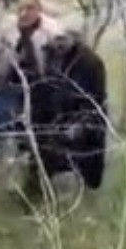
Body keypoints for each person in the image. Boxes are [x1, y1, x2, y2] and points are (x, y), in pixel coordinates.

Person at [0, 0, 63, 153]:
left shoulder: (50, 33)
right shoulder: (8, 30)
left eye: (30, 8)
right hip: (8, 85)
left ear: (39, 10)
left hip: (39, 88)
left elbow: (59, 63)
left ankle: (28, 159)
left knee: (33, 130)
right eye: (21, 8)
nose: (24, 13)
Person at [41, 31, 108, 190]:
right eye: (56, 38)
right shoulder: (50, 55)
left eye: (63, 39)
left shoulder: (90, 62)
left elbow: (95, 98)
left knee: (85, 162)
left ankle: (85, 195)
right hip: (56, 116)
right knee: (50, 158)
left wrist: (81, 124)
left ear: (74, 39)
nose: (59, 44)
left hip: (84, 116)